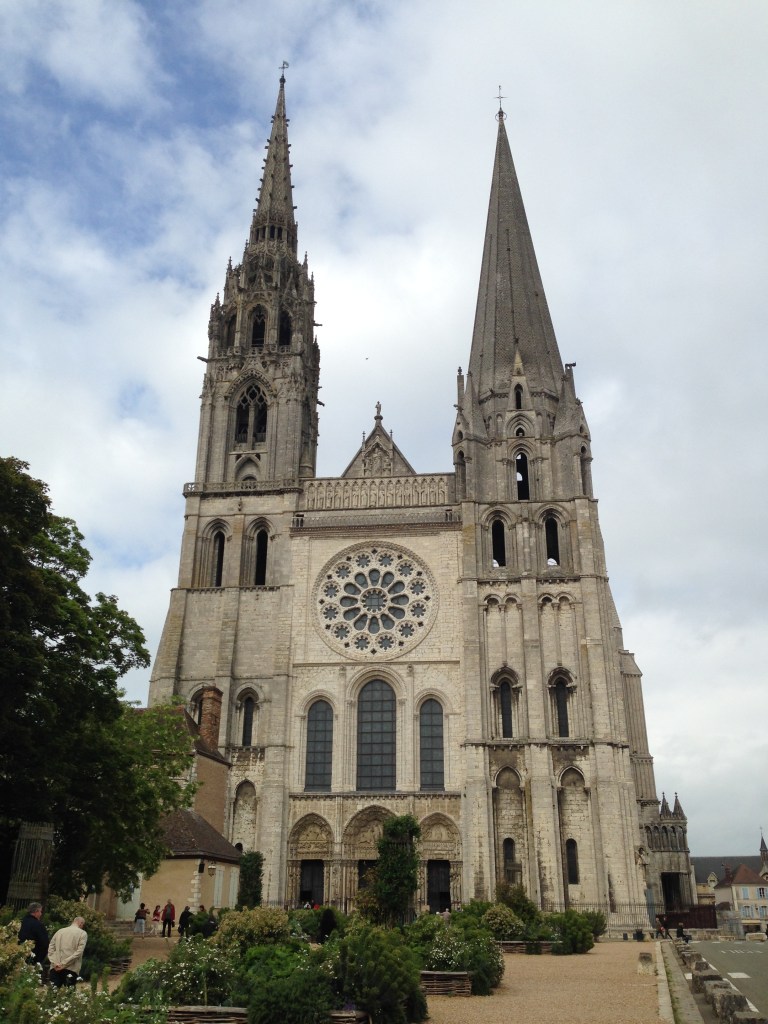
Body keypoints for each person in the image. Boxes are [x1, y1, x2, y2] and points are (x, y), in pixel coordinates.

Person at [48, 916, 87, 988]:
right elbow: (79, 952)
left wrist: (54, 962)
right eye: (83, 925)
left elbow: (51, 948)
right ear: (81, 923)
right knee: (69, 992)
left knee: (52, 992)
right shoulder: (82, 933)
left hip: (55, 967)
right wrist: (64, 964)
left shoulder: (59, 931)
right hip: (71, 968)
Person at [18, 902, 49, 981]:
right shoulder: (38, 925)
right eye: (40, 911)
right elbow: (44, 943)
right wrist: (40, 959)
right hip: (34, 957)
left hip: (19, 956)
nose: (41, 914)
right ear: (36, 911)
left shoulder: (21, 922)